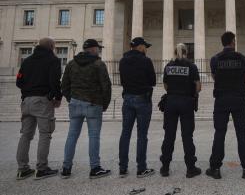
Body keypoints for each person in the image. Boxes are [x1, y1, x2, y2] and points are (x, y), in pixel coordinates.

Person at [206, 31, 245, 180]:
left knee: (219, 134)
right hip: (238, 98)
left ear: (222, 42)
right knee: (242, 134)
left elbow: (215, 77)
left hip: (221, 99)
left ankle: (215, 168)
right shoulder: (241, 58)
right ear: (233, 42)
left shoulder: (215, 59)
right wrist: (238, 85)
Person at [60, 39, 112, 179]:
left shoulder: (71, 63)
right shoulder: (98, 64)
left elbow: (64, 84)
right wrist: (104, 104)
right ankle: (95, 167)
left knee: (72, 135)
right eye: (98, 48)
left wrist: (71, 99)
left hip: (75, 103)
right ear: (94, 49)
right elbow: (106, 86)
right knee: (94, 136)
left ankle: (66, 167)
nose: (99, 50)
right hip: (93, 103)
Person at [15, 37, 62, 180]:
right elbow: (55, 81)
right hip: (42, 100)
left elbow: (19, 81)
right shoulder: (53, 60)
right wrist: (57, 97)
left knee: (26, 135)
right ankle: (41, 168)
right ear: (52, 46)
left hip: (26, 101)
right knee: (45, 134)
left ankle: (22, 169)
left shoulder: (27, 61)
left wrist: (28, 91)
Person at [159, 43, 202, 178]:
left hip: (171, 102)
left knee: (169, 136)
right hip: (186, 102)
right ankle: (190, 168)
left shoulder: (169, 66)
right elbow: (198, 87)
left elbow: (165, 85)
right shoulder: (191, 66)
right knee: (187, 136)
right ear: (186, 52)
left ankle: (165, 167)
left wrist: (173, 92)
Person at [118, 37, 156, 178]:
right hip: (142, 99)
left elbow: (122, 80)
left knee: (125, 134)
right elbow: (152, 80)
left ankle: (123, 167)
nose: (146, 49)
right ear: (139, 47)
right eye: (145, 46)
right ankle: (141, 168)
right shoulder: (146, 61)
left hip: (127, 98)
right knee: (142, 135)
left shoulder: (123, 60)